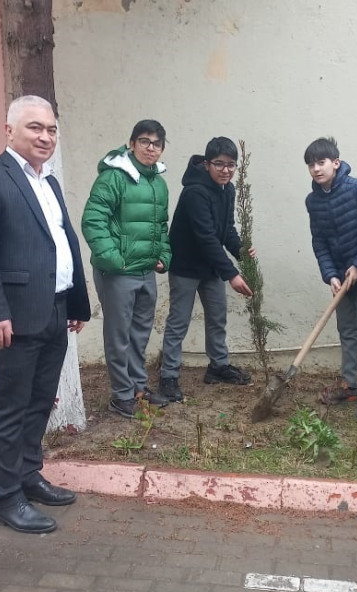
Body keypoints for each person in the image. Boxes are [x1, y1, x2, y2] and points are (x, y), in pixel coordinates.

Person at [0, 97, 91, 534]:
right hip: (12, 317)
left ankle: (28, 473)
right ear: (9, 129)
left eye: (51, 129)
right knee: (10, 406)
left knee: (40, 401)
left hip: (54, 310)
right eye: (35, 128)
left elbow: (63, 245)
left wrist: (75, 303)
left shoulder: (48, 182)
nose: (45, 137)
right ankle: (5, 496)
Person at [82, 120, 171, 419]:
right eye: (145, 141)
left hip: (146, 270)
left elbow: (161, 226)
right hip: (118, 272)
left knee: (139, 334)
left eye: (157, 143)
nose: (151, 148)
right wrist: (113, 260)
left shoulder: (158, 182)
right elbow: (93, 220)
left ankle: (138, 387)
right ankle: (121, 396)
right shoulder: (114, 178)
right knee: (119, 335)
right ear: (132, 143)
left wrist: (163, 257)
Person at [158, 137, 254, 402]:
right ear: (207, 163)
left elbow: (225, 229)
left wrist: (240, 249)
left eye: (231, 165)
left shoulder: (228, 190)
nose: (226, 170)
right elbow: (206, 236)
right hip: (186, 265)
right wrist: (232, 274)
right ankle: (168, 376)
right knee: (179, 321)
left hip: (210, 266)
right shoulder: (194, 192)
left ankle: (218, 367)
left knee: (217, 316)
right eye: (220, 164)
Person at [304, 137, 357, 421]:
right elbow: (320, 243)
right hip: (341, 280)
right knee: (347, 332)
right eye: (311, 164)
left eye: (321, 162)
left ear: (336, 163)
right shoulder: (313, 201)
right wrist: (330, 274)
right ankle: (350, 384)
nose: (316, 168)